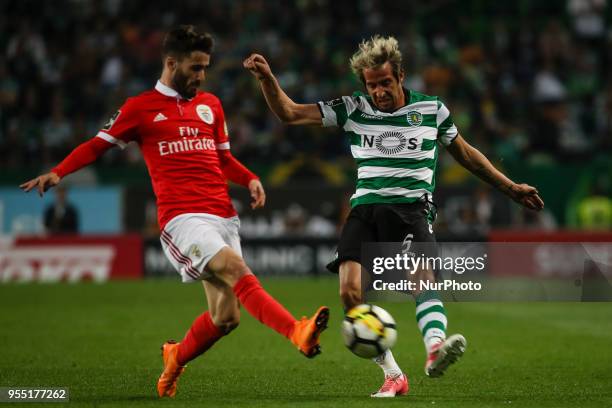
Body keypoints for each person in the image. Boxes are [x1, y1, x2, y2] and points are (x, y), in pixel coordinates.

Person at [20, 25, 329, 398]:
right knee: (236, 269)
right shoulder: (139, 108)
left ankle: (174, 357)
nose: (201, 76)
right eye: (195, 68)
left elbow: (223, 159)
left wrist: (249, 179)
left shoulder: (211, 105)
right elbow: (96, 146)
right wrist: (58, 172)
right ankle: (296, 330)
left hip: (222, 216)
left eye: (205, 68)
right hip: (181, 218)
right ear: (171, 63)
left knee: (226, 318)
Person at [244, 35, 544, 397]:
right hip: (364, 209)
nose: (379, 92)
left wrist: (511, 188)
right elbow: (289, 113)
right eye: (372, 86)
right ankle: (393, 375)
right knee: (350, 292)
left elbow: (465, 154)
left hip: (411, 208)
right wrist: (266, 79)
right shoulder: (353, 108)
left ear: (400, 76)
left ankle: (435, 348)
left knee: (420, 278)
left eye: (385, 83)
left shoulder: (432, 109)